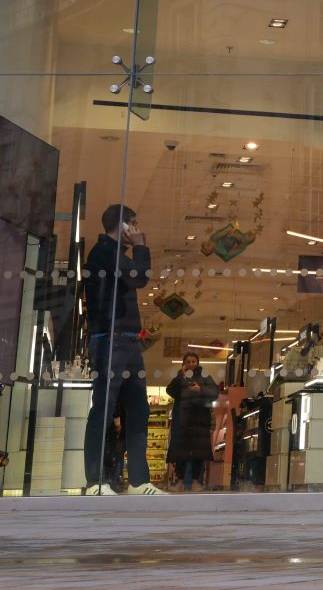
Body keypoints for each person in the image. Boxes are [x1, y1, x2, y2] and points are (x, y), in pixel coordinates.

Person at [82, 204, 164, 495]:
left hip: (125, 339)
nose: (138, 230)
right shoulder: (104, 252)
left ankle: (139, 481)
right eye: (134, 223)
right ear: (122, 224)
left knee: (138, 410)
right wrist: (141, 247)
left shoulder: (114, 254)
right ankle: (95, 482)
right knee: (103, 411)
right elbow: (139, 277)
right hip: (109, 339)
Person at [166, 352, 219, 491]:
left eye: (193, 361)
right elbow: (170, 391)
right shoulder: (179, 376)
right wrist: (180, 377)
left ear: (198, 362)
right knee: (180, 452)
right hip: (182, 419)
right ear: (183, 364)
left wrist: (200, 389)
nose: (191, 364)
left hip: (199, 419)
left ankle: (196, 481)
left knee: (198, 451)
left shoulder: (205, 376)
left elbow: (215, 393)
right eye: (188, 362)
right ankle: (180, 481)